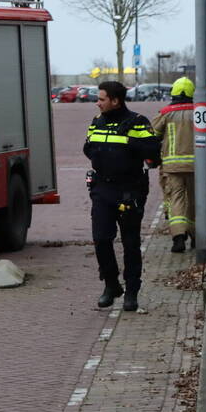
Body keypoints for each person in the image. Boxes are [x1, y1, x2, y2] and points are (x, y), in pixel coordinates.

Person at [83, 81, 161, 312]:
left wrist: (128, 143)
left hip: (129, 189)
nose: (97, 103)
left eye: (102, 99)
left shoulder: (138, 122)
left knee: (130, 242)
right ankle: (111, 284)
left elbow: (153, 154)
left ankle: (132, 291)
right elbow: (88, 147)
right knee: (101, 238)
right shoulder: (97, 122)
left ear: (115, 100)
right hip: (103, 189)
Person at [152, 77, 197, 253]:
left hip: (172, 166)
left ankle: (178, 237)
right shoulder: (200, 111)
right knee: (194, 201)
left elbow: (152, 134)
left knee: (176, 199)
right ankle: (196, 237)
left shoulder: (165, 113)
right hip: (196, 167)